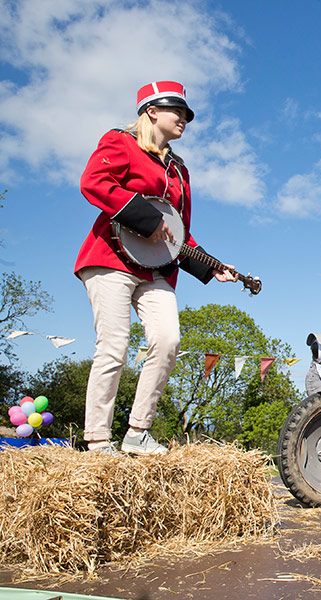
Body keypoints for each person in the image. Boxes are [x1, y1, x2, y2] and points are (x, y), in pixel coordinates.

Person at [74, 81, 237, 454]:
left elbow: (178, 233)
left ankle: (136, 433)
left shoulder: (180, 170)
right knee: (113, 347)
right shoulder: (120, 142)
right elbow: (94, 182)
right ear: (151, 111)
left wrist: (210, 266)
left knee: (167, 341)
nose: (184, 120)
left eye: (186, 115)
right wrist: (146, 221)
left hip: (155, 269)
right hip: (110, 258)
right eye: (176, 111)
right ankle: (98, 439)